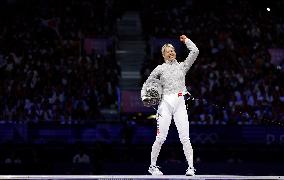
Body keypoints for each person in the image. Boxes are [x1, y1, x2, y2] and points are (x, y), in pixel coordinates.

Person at [141, 35, 199, 176]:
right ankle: (152, 167)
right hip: (165, 104)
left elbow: (195, 51)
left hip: (179, 104)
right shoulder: (159, 69)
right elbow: (148, 84)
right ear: (163, 54)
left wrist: (186, 41)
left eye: (173, 50)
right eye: (168, 51)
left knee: (185, 138)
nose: (171, 52)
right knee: (161, 138)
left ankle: (191, 167)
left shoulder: (182, 67)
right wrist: (147, 96)